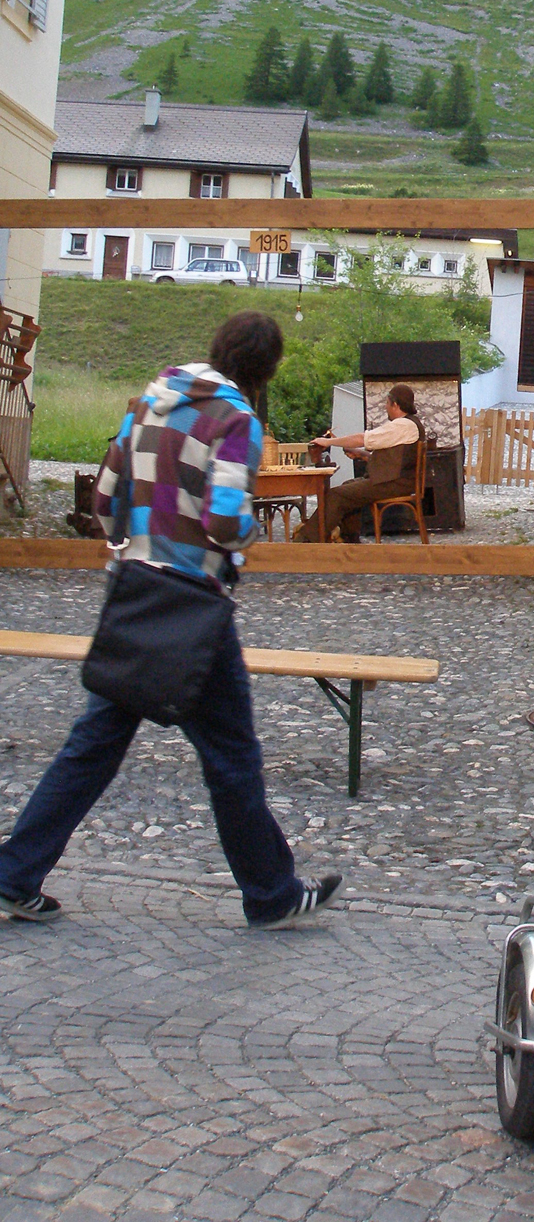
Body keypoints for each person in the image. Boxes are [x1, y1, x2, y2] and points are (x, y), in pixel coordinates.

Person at [0, 312, 342, 931]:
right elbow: (224, 520)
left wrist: (134, 548)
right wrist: (247, 538)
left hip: (135, 593)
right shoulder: (236, 420)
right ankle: (271, 894)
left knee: (92, 747)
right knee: (231, 756)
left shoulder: (150, 403)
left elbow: (105, 499)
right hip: (192, 611)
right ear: (266, 369)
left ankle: (14, 873)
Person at [294, 382, 423, 543]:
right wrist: (362, 454)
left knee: (336, 495)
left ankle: (306, 540)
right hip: (396, 481)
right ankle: (349, 539)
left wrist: (327, 442)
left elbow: (362, 438)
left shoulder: (403, 425)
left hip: (395, 483)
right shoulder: (408, 425)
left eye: (387, 403)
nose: (385, 407)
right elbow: (395, 458)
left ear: (395, 404)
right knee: (348, 486)